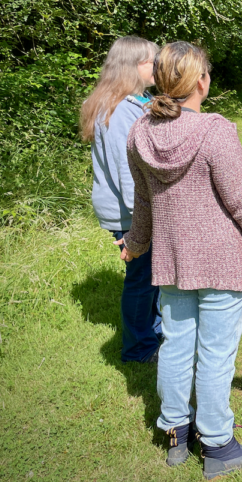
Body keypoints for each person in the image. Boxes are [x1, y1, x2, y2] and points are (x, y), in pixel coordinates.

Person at [116, 41, 242, 480]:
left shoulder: (138, 133)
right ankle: (219, 445)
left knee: (175, 347)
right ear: (201, 81)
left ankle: (176, 434)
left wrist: (135, 243)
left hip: (173, 261)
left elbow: (142, 203)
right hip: (223, 262)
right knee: (215, 356)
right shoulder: (214, 130)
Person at [79, 36, 162, 363]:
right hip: (133, 212)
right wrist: (141, 220)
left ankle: (155, 335)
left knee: (152, 276)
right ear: (132, 65)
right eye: (152, 61)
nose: (157, 66)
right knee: (142, 280)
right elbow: (127, 171)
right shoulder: (114, 110)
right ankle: (139, 350)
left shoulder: (139, 100)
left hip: (144, 207)